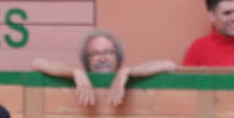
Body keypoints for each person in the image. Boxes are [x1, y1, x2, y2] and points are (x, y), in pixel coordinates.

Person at [31, 29, 175, 108]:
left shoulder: (125, 74)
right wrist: (76, 72)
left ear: (118, 56)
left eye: (108, 52)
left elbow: (169, 65)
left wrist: (127, 72)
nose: (102, 58)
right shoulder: (80, 76)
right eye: (95, 54)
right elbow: (37, 63)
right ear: (86, 59)